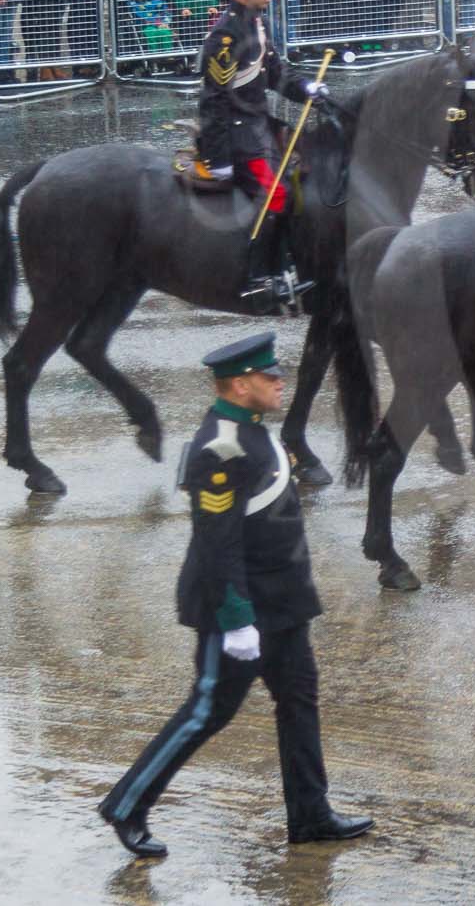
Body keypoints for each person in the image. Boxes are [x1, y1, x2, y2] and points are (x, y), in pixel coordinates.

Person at [97, 331, 372, 858]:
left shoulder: (256, 432)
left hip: (284, 603)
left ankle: (311, 814)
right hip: (239, 608)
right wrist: (237, 619)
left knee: (298, 701)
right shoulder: (218, 450)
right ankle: (127, 805)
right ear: (242, 384)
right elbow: (216, 544)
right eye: (270, 377)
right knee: (207, 712)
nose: (279, 383)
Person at [194, 0, 330, 312]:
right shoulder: (225, 37)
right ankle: (258, 279)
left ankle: (292, 262)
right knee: (278, 196)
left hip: (259, 125)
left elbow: (275, 73)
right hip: (238, 135)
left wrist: (306, 90)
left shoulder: (256, 23)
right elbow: (213, 100)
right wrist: (218, 156)